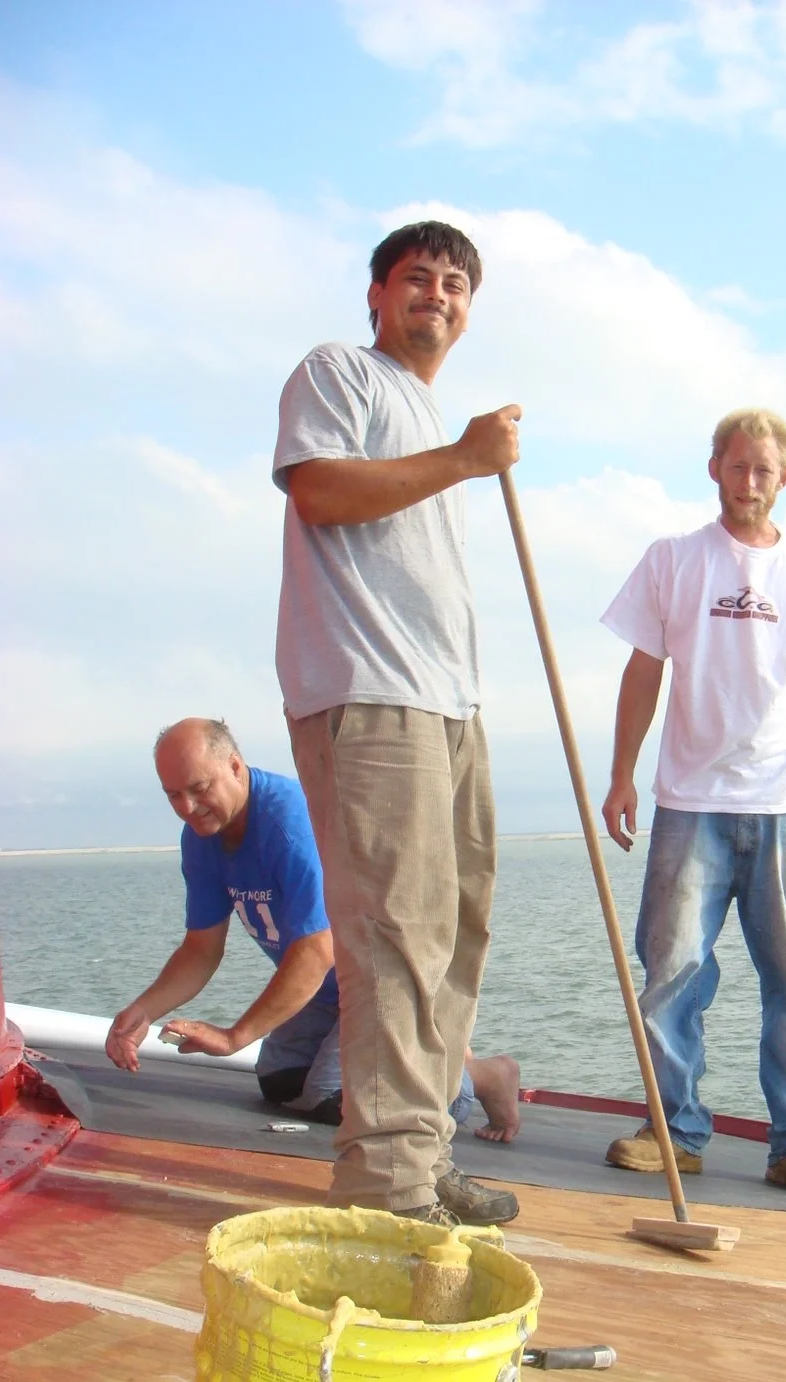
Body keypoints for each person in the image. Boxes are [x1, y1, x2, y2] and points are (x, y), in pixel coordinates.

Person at [272, 221, 522, 1226]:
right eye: (416, 276)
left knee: (452, 934)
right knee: (391, 940)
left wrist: (459, 453)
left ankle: (421, 1159)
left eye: (456, 281)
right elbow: (320, 490)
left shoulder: (427, 410)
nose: (437, 291)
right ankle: (383, 1186)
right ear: (375, 294)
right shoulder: (339, 372)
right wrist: (463, 455)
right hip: (371, 693)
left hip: (447, 703)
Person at [600, 408, 786, 1198]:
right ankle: (673, 1130)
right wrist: (621, 775)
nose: (748, 482)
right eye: (736, 465)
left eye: (763, 470)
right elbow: (642, 671)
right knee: (671, 973)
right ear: (713, 468)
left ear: (783, 478)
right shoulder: (673, 560)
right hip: (689, 802)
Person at [105, 718, 522, 1152]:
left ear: (234, 766)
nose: (188, 807)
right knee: (279, 1082)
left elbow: (315, 949)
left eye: (199, 788)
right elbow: (201, 948)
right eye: (174, 795)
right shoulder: (201, 839)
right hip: (328, 990)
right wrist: (141, 1011)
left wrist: (234, 1037)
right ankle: (411, 1059)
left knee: (338, 1097)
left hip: (381, 978)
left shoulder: (288, 823)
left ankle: (481, 1076)